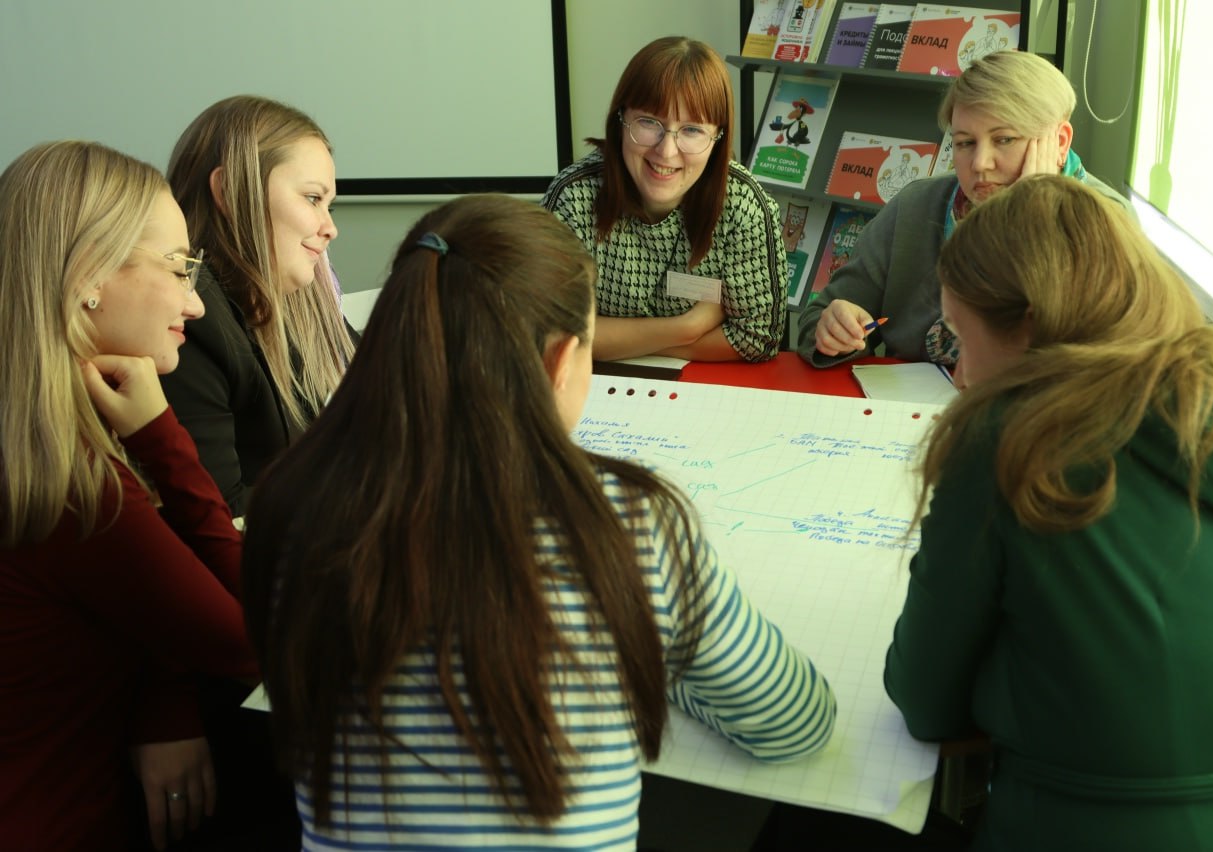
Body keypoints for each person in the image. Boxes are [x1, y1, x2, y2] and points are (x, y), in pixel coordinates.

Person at [241, 194, 836, 849]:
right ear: (560, 364)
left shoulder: (293, 505)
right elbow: (794, 723)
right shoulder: (628, 523)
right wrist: (657, 654)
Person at [883, 176, 1213, 851]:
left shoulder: (1009, 437)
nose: (965, 375)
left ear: (1032, 323)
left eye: (960, 339)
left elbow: (924, 701)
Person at [0, 141, 258, 851]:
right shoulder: (73, 484)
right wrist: (161, 435)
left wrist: (163, 698)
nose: (196, 303)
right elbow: (256, 639)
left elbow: (130, 602)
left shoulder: (37, 441)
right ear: (86, 276)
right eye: (179, 269)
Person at [797, 50, 1129, 368]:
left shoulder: (1109, 221)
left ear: (1059, 142)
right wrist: (833, 328)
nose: (980, 164)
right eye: (965, 143)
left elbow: (1094, 363)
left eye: (1004, 140)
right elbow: (817, 320)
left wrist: (1033, 221)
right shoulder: (916, 206)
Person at [162, 95, 355, 518]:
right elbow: (222, 513)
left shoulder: (303, 304)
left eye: (330, 204)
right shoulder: (190, 320)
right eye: (311, 199)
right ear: (230, 191)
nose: (330, 228)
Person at [542, 36, 787, 363]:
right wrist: (687, 327)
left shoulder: (744, 206)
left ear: (718, 138)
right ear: (621, 119)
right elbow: (548, 331)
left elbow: (760, 338)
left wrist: (615, 340)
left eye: (692, 130)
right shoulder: (574, 197)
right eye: (649, 122)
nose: (666, 151)